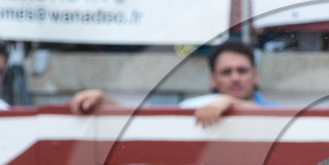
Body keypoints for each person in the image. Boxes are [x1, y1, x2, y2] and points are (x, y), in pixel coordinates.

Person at [70, 40, 274, 127]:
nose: (235, 78)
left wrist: (229, 102)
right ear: (213, 79)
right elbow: (145, 123)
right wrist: (104, 101)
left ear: (255, 76)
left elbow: (275, 119)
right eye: (226, 72)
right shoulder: (193, 107)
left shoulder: (276, 111)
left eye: (242, 71)